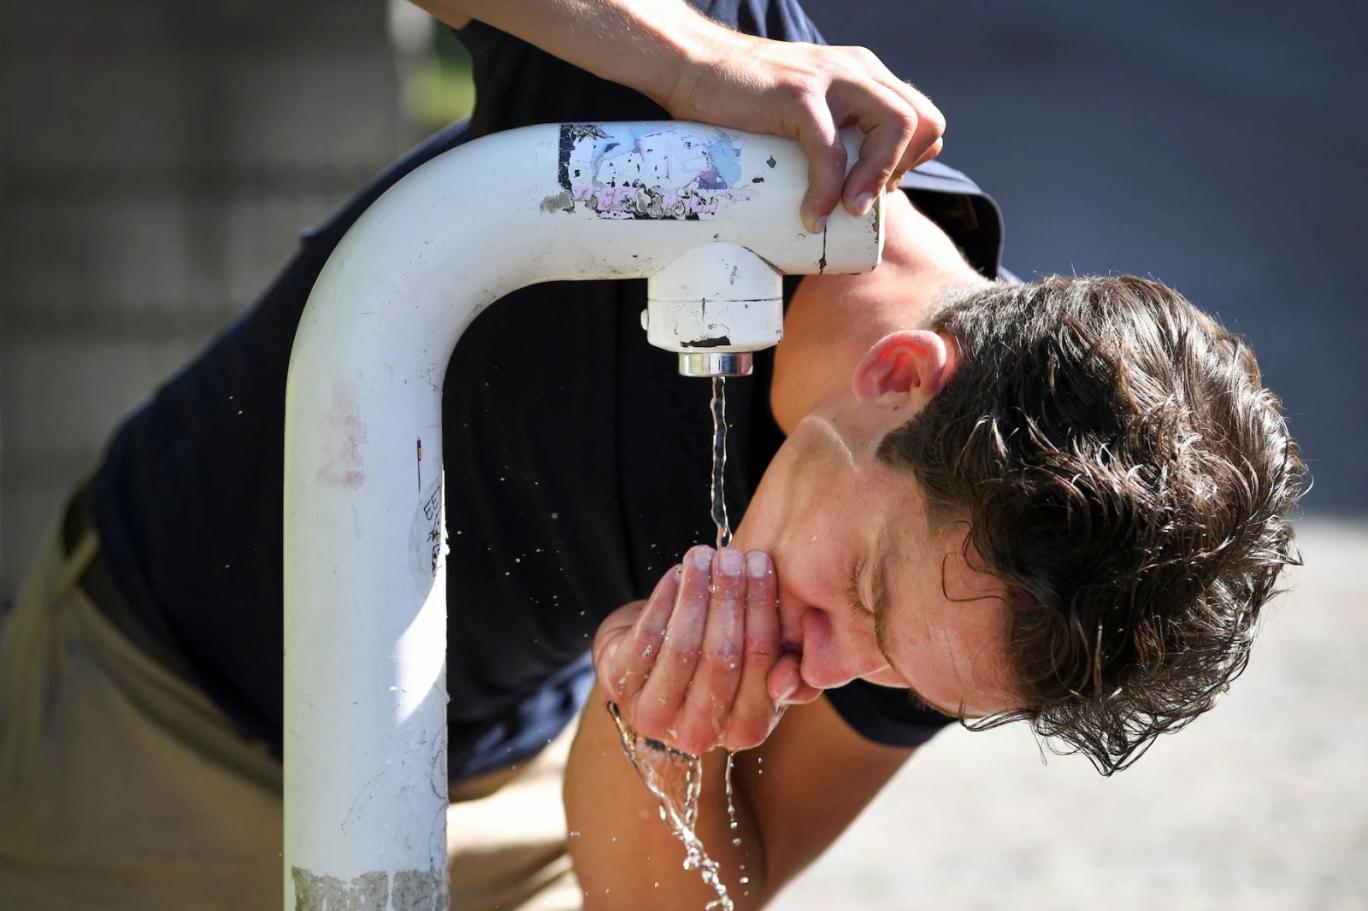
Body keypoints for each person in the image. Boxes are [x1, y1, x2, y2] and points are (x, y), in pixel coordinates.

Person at [0, 1, 1304, 909]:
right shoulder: (737, 111)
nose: (839, 676)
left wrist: (660, 738)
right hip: (151, 703)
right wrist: (676, 54)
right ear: (900, 380)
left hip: (491, 790)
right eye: (863, 609)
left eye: (906, 682)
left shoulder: (969, 599)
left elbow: (676, 900)